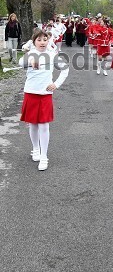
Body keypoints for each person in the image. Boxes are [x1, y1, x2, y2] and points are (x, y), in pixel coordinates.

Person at [19, 29, 69, 171]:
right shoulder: (30, 54)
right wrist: (31, 59)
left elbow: (65, 70)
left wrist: (56, 84)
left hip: (45, 95)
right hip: (31, 93)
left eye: (45, 39)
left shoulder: (52, 55)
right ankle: (35, 149)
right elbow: (21, 62)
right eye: (39, 40)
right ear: (34, 41)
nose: (42, 42)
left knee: (44, 126)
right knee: (33, 124)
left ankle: (44, 156)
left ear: (48, 41)